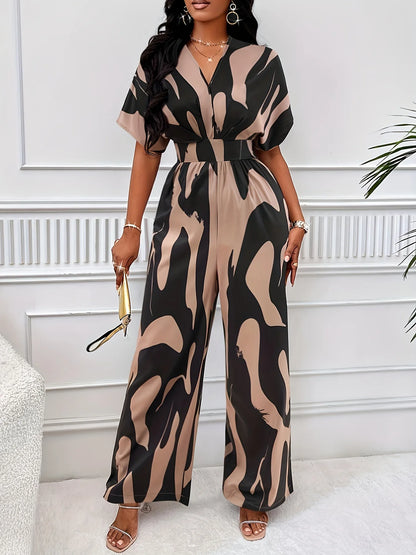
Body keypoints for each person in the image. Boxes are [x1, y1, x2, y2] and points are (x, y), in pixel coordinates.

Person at [104, 0, 309, 551]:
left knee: (259, 354)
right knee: (161, 348)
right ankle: (133, 490)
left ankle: (256, 489)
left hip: (255, 212)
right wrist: (130, 229)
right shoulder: (160, 60)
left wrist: (297, 219)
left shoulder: (263, 62)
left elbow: (271, 150)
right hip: (185, 210)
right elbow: (148, 149)